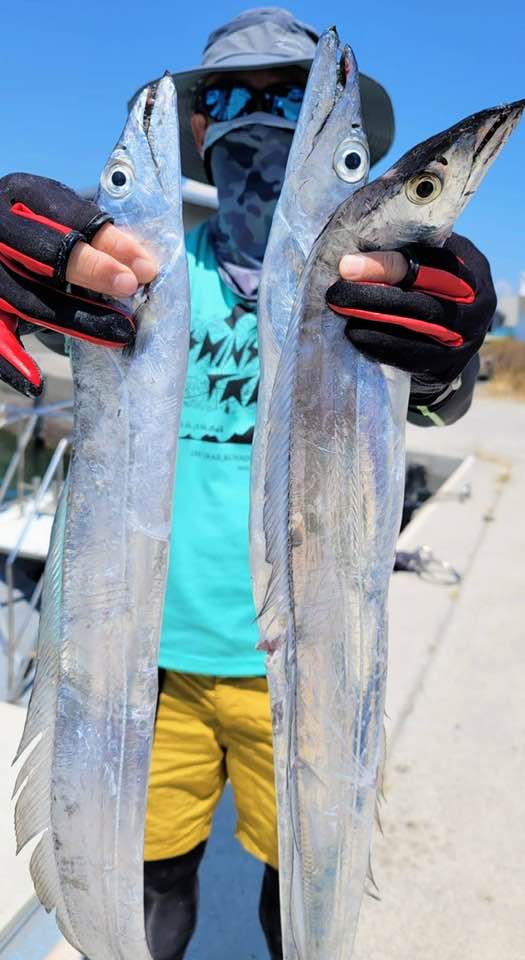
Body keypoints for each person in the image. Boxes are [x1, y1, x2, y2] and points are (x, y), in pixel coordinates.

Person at [0, 8, 496, 959]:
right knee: (157, 882)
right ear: (199, 129)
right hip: (155, 664)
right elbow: (38, 323)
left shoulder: (368, 290)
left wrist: (438, 363)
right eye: (229, 98)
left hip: (301, 673)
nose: (255, 124)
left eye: (288, 98)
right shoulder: (129, 276)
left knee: (295, 889)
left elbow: (433, 405)